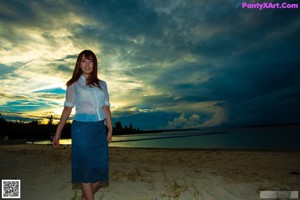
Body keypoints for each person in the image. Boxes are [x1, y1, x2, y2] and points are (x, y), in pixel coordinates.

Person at [52, 50, 112, 200]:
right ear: (79, 64)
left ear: (94, 64)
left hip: (99, 128)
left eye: (90, 61)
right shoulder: (73, 85)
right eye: (84, 61)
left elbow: (106, 108)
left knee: (100, 170)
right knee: (85, 169)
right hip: (82, 130)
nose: (87, 64)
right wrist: (58, 132)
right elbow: (67, 109)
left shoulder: (103, 84)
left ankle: (84, 198)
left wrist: (110, 128)